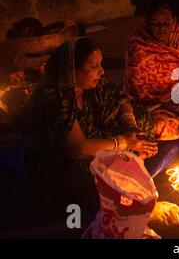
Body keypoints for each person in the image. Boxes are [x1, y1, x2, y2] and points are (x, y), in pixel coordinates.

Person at [13, 37, 157, 224]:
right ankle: (124, 162)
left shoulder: (91, 82)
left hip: (92, 134)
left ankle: (126, 156)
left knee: (141, 118)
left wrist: (131, 128)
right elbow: (77, 149)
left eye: (100, 64)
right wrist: (123, 142)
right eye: (94, 66)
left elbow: (120, 99)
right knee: (93, 177)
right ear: (72, 70)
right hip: (59, 162)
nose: (102, 71)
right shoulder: (53, 97)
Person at [125, 0, 179, 136]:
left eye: (166, 23)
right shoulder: (139, 44)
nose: (161, 28)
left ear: (173, 22)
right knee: (157, 126)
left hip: (178, 94)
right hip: (150, 105)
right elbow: (138, 85)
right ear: (149, 23)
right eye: (156, 24)